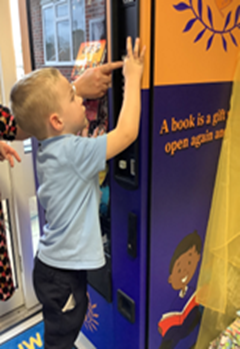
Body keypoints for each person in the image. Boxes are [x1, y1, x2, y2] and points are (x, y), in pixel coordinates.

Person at [10, 37, 145, 349]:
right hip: (61, 275)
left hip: (53, 268)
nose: (81, 99)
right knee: (62, 335)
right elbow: (127, 133)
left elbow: (72, 158)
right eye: (73, 97)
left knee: (67, 324)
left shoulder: (49, 148)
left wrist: (79, 126)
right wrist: (134, 76)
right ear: (56, 121)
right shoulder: (74, 152)